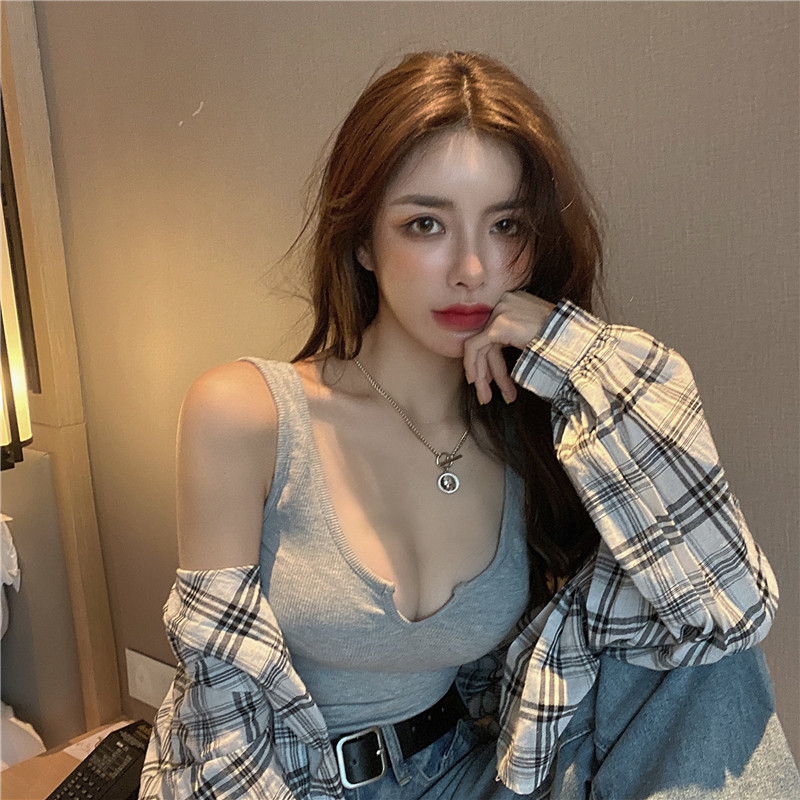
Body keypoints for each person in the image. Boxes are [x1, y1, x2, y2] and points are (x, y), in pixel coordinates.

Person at [138, 51, 799, 799]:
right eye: (425, 224)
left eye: (505, 225)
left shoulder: (532, 435)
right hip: (292, 782)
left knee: (706, 661)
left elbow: (724, 609)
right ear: (362, 241)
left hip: (468, 772)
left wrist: (569, 347)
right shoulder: (246, 414)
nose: (473, 270)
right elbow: (223, 721)